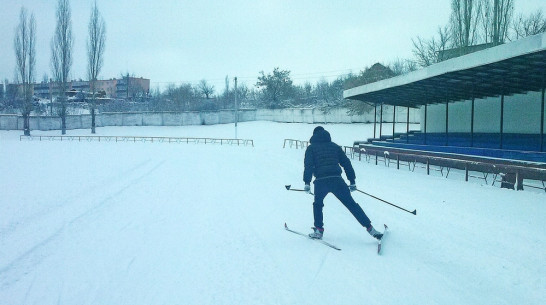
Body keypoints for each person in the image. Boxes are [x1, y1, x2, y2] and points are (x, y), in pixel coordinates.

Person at [303, 126, 383, 241]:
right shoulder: (335, 147)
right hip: (337, 180)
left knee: (318, 204)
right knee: (351, 204)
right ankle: (371, 229)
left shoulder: (311, 148)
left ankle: (319, 230)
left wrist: (307, 182)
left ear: (314, 135)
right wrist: (352, 181)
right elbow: (346, 163)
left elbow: (308, 166)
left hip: (321, 182)